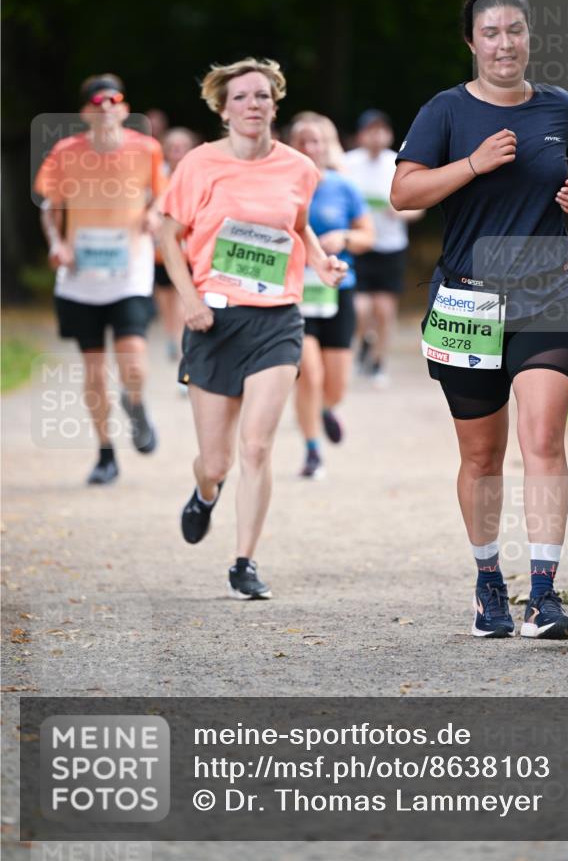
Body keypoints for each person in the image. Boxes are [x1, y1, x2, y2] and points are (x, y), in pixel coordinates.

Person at [391, 0, 568, 641]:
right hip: (469, 299)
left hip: (549, 292)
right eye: (490, 33)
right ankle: (487, 583)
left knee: (542, 439)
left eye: (514, 31)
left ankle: (542, 594)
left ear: (528, 37)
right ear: (470, 43)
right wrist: (472, 165)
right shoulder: (445, 112)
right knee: (480, 456)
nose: (503, 44)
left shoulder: (558, 105)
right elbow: (403, 192)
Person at [159, 57, 347, 599]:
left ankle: (244, 562)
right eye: (240, 98)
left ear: (275, 103)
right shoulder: (198, 164)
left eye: (261, 96)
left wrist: (318, 262)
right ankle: (204, 492)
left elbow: (297, 223)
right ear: (223, 108)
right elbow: (169, 236)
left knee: (258, 447)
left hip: (277, 320)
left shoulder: (298, 167)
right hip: (213, 320)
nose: (252, 106)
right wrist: (190, 300)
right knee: (215, 461)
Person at [35, 74, 164, 485]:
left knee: (133, 363)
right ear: (85, 112)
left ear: (125, 109)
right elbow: (50, 207)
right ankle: (105, 452)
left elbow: (162, 195)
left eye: (115, 99)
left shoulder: (147, 149)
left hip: (129, 270)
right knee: (93, 370)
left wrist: (152, 213)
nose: (106, 105)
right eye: (97, 100)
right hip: (81, 276)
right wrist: (58, 243)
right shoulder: (65, 151)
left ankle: (136, 403)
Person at [288, 115, 374, 479]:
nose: (310, 148)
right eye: (303, 141)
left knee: (336, 383)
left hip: (338, 291)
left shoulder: (343, 187)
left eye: (316, 141)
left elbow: (368, 236)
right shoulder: (281, 186)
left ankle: (326, 409)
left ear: (327, 146)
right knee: (309, 372)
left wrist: (345, 239)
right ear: (292, 146)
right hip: (294, 295)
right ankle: (311, 450)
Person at [344, 110, 423, 385]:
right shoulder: (348, 164)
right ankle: (364, 341)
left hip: (391, 247)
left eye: (381, 130)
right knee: (361, 309)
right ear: (360, 135)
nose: (375, 136)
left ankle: (378, 362)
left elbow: (418, 207)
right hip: (359, 245)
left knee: (385, 311)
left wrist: (399, 212)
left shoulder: (398, 163)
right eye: (370, 130)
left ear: (389, 134)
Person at [154, 128, 199, 362]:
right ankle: (172, 337)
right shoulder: (157, 175)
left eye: (182, 148)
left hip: (189, 250)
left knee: (184, 300)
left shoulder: (198, 176)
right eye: (172, 148)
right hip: (160, 252)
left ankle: (184, 348)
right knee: (166, 300)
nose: (177, 153)